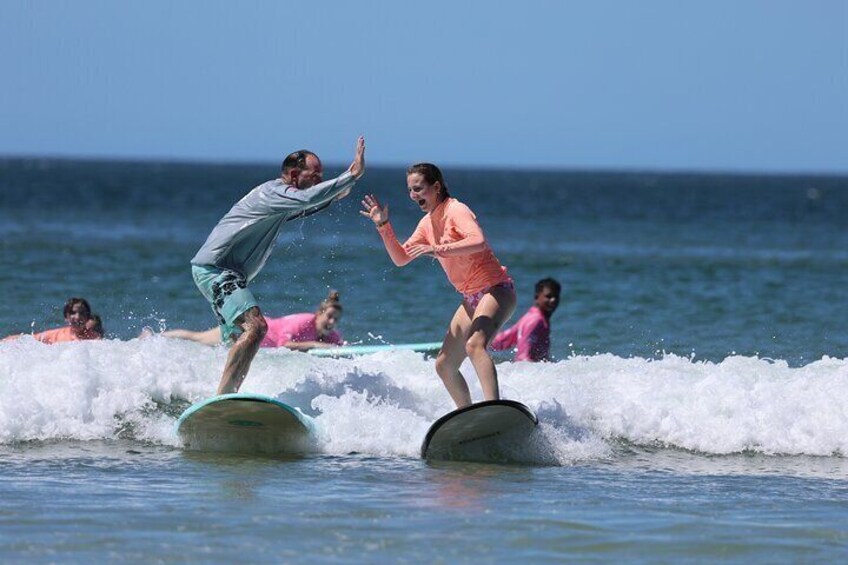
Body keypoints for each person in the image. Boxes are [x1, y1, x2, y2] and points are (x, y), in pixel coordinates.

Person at [190, 137, 365, 395]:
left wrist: (335, 193)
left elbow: (304, 207)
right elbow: (306, 200)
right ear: (294, 175)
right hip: (217, 270)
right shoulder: (272, 193)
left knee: (240, 338)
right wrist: (350, 176)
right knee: (257, 327)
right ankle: (225, 396)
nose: (319, 180)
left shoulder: (280, 202)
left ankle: (220, 395)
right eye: (315, 175)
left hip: (225, 274)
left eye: (321, 177)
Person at [360, 163, 516, 409]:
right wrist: (383, 226)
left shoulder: (456, 210)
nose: (413, 195)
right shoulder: (427, 224)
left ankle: (494, 409)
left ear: (436, 186)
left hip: (496, 289)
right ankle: (468, 415)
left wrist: (436, 249)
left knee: (475, 345)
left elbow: (477, 241)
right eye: (410, 190)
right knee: (444, 365)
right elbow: (401, 258)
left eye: (418, 188)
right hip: (471, 298)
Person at [160, 290, 345, 351]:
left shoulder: (330, 334)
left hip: (254, 343)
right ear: (318, 314)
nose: (331, 322)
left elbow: (342, 348)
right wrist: (315, 345)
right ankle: (158, 338)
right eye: (329, 317)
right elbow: (284, 344)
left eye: (335, 319)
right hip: (245, 329)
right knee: (198, 339)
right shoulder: (304, 321)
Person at [491, 278, 561, 362]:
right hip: (527, 367)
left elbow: (504, 339)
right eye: (548, 296)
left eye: (556, 296)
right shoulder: (535, 320)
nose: (553, 300)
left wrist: (485, 343)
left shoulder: (531, 317)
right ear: (536, 297)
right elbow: (524, 357)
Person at [3, 297, 102, 343]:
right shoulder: (55, 335)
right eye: (73, 312)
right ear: (66, 317)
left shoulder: (95, 339)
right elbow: (29, 339)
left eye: (82, 313)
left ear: (87, 317)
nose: (77, 317)